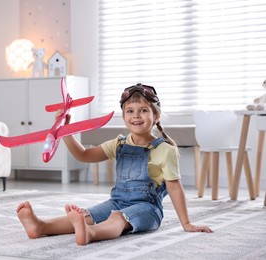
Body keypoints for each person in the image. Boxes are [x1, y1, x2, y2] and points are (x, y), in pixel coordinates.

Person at [16, 83, 213, 246]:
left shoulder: (165, 150)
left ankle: (90, 234)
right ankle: (40, 226)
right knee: (87, 214)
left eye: (143, 110)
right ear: (124, 116)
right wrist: (66, 131)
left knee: (117, 218)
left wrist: (186, 223)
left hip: (147, 209)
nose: (136, 115)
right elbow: (83, 155)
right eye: (130, 111)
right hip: (116, 201)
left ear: (156, 116)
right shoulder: (119, 143)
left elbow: (174, 188)